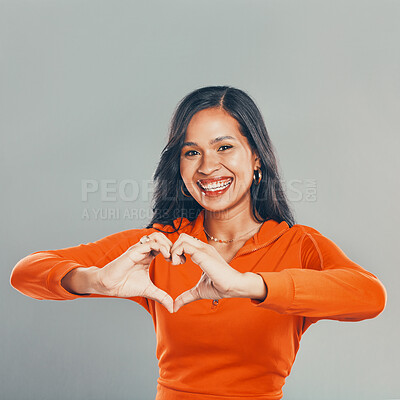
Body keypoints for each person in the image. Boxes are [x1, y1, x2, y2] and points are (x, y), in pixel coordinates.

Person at [10, 86, 387, 400]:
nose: (207, 166)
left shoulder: (298, 245)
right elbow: (25, 272)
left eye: (224, 147)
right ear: (180, 164)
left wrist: (245, 284)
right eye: (192, 152)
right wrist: (95, 281)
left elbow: (369, 296)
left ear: (256, 157)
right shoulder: (161, 245)